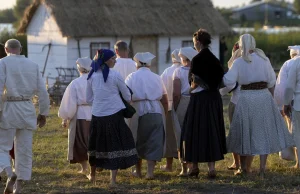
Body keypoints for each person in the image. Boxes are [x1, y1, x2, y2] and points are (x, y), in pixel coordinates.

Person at [224, 34, 294, 178]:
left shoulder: (238, 62)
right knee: (263, 133)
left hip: (246, 98)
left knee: (245, 132)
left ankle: (243, 169)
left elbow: (228, 80)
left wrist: (231, 62)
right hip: (263, 96)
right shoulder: (264, 59)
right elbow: (271, 80)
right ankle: (262, 169)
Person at [0, 39, 50, 193]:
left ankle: (10, 173)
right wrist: (43, 113)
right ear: (20, 49)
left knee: (2, 147)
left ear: (6, 49)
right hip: (27, 108)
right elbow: (43, 91)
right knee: (24, 150)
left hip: (9, 107)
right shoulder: (33, 65)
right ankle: (18, 188)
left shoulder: (2, 63)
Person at [86, 49, 138, 186]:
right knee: (114, 144)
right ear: (107, 60)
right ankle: (112, 180)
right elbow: (127, 95)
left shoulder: (91, 76)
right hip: (114, 114)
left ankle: (92, 176)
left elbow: (88, 98)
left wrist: (100, 102)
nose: (115, 60)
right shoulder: (115, 75)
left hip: (97, 114)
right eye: (113, 58)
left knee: (96, 145)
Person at [180, 29, 227, 179]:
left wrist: (190, 88)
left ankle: (194, 167)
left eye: (195, 44)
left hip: (199, 100)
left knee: (194, 132)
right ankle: (211, 168)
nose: (194, 47)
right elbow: (221, 81)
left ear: (199, 42)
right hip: (214, 99)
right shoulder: (215, 59)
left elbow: (193, 82)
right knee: (211, 131)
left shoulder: (197, 59)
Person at [126, 52, 168, 179]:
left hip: (137, 109)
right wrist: (164, 113)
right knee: (154, 140)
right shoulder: (156, 77)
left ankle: (138, 171)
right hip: (156, 110)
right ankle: (150, 172)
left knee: (137, 140)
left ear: (137, 64)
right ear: (149, 64)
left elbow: (126, 96)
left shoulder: (131, 77)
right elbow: (164, 98)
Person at [220, 42, 254, 173]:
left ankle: (241, 164)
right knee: (249, 133)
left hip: (237, 101)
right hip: (251, 101)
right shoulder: (254, 62)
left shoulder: (237, 64)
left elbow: (229, 83)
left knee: (236, 133)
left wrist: (218, 92)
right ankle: (243, 164)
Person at [58, 57, 93, 179]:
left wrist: (65, 117)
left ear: (79, 69)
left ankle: (84, 167)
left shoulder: (75, 83)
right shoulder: (97, 80)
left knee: (80, 142)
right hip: (96, 114)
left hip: (80, 115)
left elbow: (70, 102)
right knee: (95, 140)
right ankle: (96, 166)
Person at [172, 47, 198, 176]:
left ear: (183, 59)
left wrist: (175, 107)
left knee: (181, 135)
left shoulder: (178, 72)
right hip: (197, 102)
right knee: (195, 134)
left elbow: (176, 93)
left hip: (184, 102)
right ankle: (194, 165)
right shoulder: (198, 71)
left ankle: (184, 168)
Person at [160, 49, 181, 172]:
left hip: (169, 106)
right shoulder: (185, 70)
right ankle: (188, 164)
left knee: (170, 136)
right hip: (183, 105)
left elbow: (161, 91)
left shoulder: (167, 72)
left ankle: (169, 165)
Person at [284, 46, 300, 169]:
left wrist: (286, 102)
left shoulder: (296, 62)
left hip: (298, 103)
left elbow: (289, 86)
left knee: (298, 134)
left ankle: (299, 163)